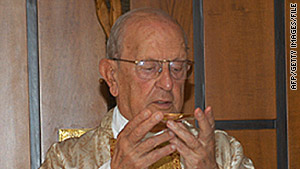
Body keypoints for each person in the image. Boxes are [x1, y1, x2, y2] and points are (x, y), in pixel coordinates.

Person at [40, 8, 254, 169]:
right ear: (112, 77)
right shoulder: (66, 161)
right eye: (150, 68)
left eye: (177, 68)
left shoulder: (224, 154)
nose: (168, 83)